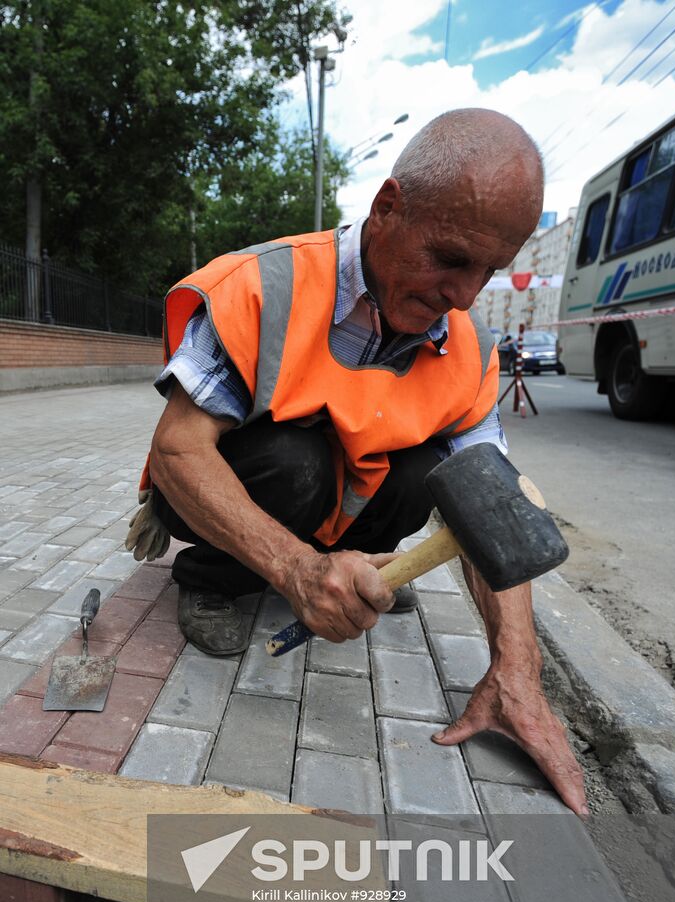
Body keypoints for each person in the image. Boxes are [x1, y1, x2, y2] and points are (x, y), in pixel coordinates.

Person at [127, 108, 588, 815]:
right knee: (293, 459)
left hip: (340, 506)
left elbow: (493, 505)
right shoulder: (263, 288)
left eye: (488, 272)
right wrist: (293, 569)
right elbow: (178, 449)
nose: (461, 296)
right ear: (386, 209)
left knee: (427, 467)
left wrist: (516, 668)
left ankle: (356, 571)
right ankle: (214, 581)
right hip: (241, 491)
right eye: (450, 258)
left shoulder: (466, 343)